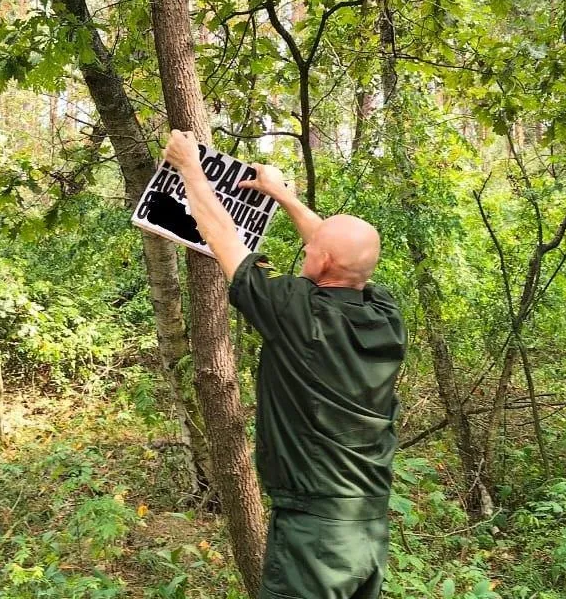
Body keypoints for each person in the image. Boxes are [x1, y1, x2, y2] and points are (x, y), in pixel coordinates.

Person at [161, 129, 407, 599]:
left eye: (313, 252)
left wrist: (189, 166)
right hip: (368, 527)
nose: (306, 249)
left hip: (315, 536)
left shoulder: (297, 313)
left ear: (324, 262)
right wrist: (281, 194)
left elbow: (224, 240)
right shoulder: (385, 315)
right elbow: (340, 251)